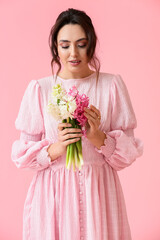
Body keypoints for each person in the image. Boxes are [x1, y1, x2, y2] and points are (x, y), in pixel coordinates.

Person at [11, 8, 143, 240]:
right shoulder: (40, 90)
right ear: (56, 48)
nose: (73, 53)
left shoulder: (111, 86)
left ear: (91, 44)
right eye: (65, 45)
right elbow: (23, 156)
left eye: (81, 44)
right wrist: (56, 147)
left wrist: (98, 138)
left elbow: (129, 152)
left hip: (100, 195)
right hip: (52, 199)